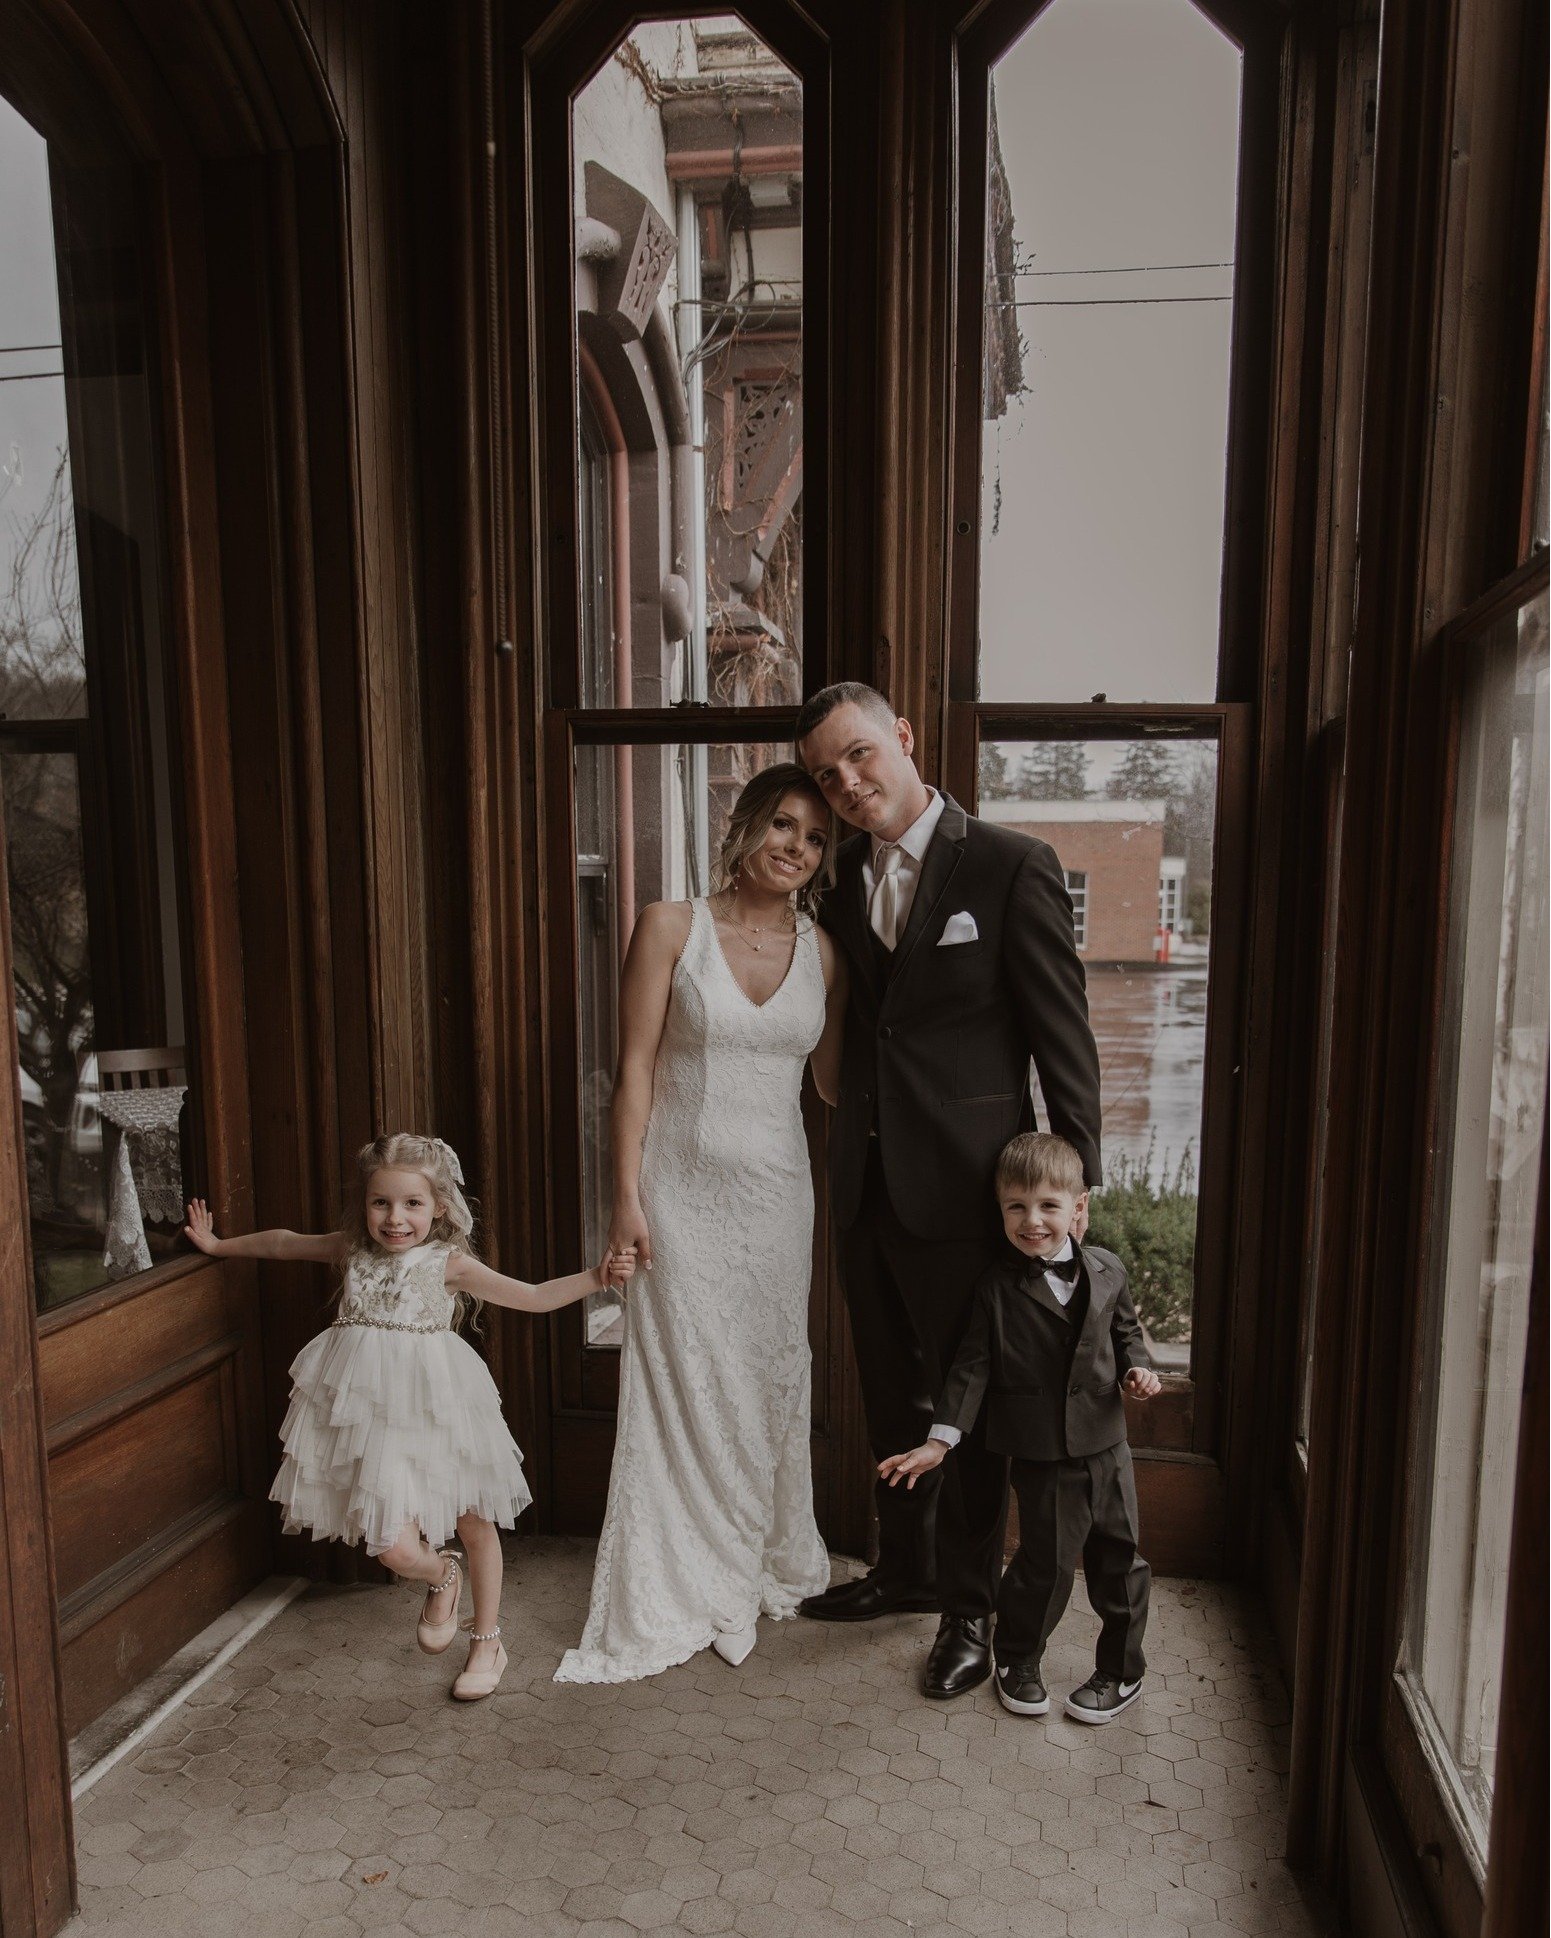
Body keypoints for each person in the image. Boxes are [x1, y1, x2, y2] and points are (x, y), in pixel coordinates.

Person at [795, 683, 1103, 1700]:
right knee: (892, 1392)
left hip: (973, 1196)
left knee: (964, 1416)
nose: (847, 784)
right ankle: (907, 1571)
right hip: (864, 1186)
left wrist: (1077, 1197)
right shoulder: (839, 881)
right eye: (828, 774)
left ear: (905, 740)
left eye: (860, 757)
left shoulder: (1012, 865)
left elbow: (1066, 1048)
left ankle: (968, 1613)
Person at [556, 763, 848, 1683]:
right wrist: (625, 1199)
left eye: (813, 837)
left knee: (763, 1373)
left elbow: (833, 1086)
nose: (795, 848)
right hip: (677, 1190)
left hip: (776, 1198)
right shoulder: (668, 925)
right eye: (782, 826)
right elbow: (633, 1071)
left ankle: (752, 1556)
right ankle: (686, 1574)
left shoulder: (827, 952)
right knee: (683, 1375)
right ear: (746, 824)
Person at [183, 1132, 631, 1701]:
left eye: (412, 1204)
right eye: (381, 1203)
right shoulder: (351, 1250)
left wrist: (598, 1279)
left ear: (439, 1206)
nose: (395, 1218)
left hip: (439, 1404)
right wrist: (219, 1246)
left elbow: (535, 1295)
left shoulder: (448, 1264)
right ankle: (442, 1574)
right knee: (393, 1546)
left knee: (474, 1519)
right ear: (364, 1204)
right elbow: (282, 1242)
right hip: (371, 1413)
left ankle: (487, 1640)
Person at [881, 1132, 1161, 1723]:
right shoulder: (996, 1288)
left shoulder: (1108, 1269)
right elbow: (971, 1369)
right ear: (1001, 1210)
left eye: (1048, 1206)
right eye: (1016, 1207)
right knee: (1046, 1564)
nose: (1032, 1221)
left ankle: (1121, 1669)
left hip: (1108, 1444)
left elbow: (1127, 1335)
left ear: (1078, 1208)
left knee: (1122, 1559)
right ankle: (1016, 1658)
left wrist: (1139, 1370)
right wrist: (940, 1440)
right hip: (1041, 1451)